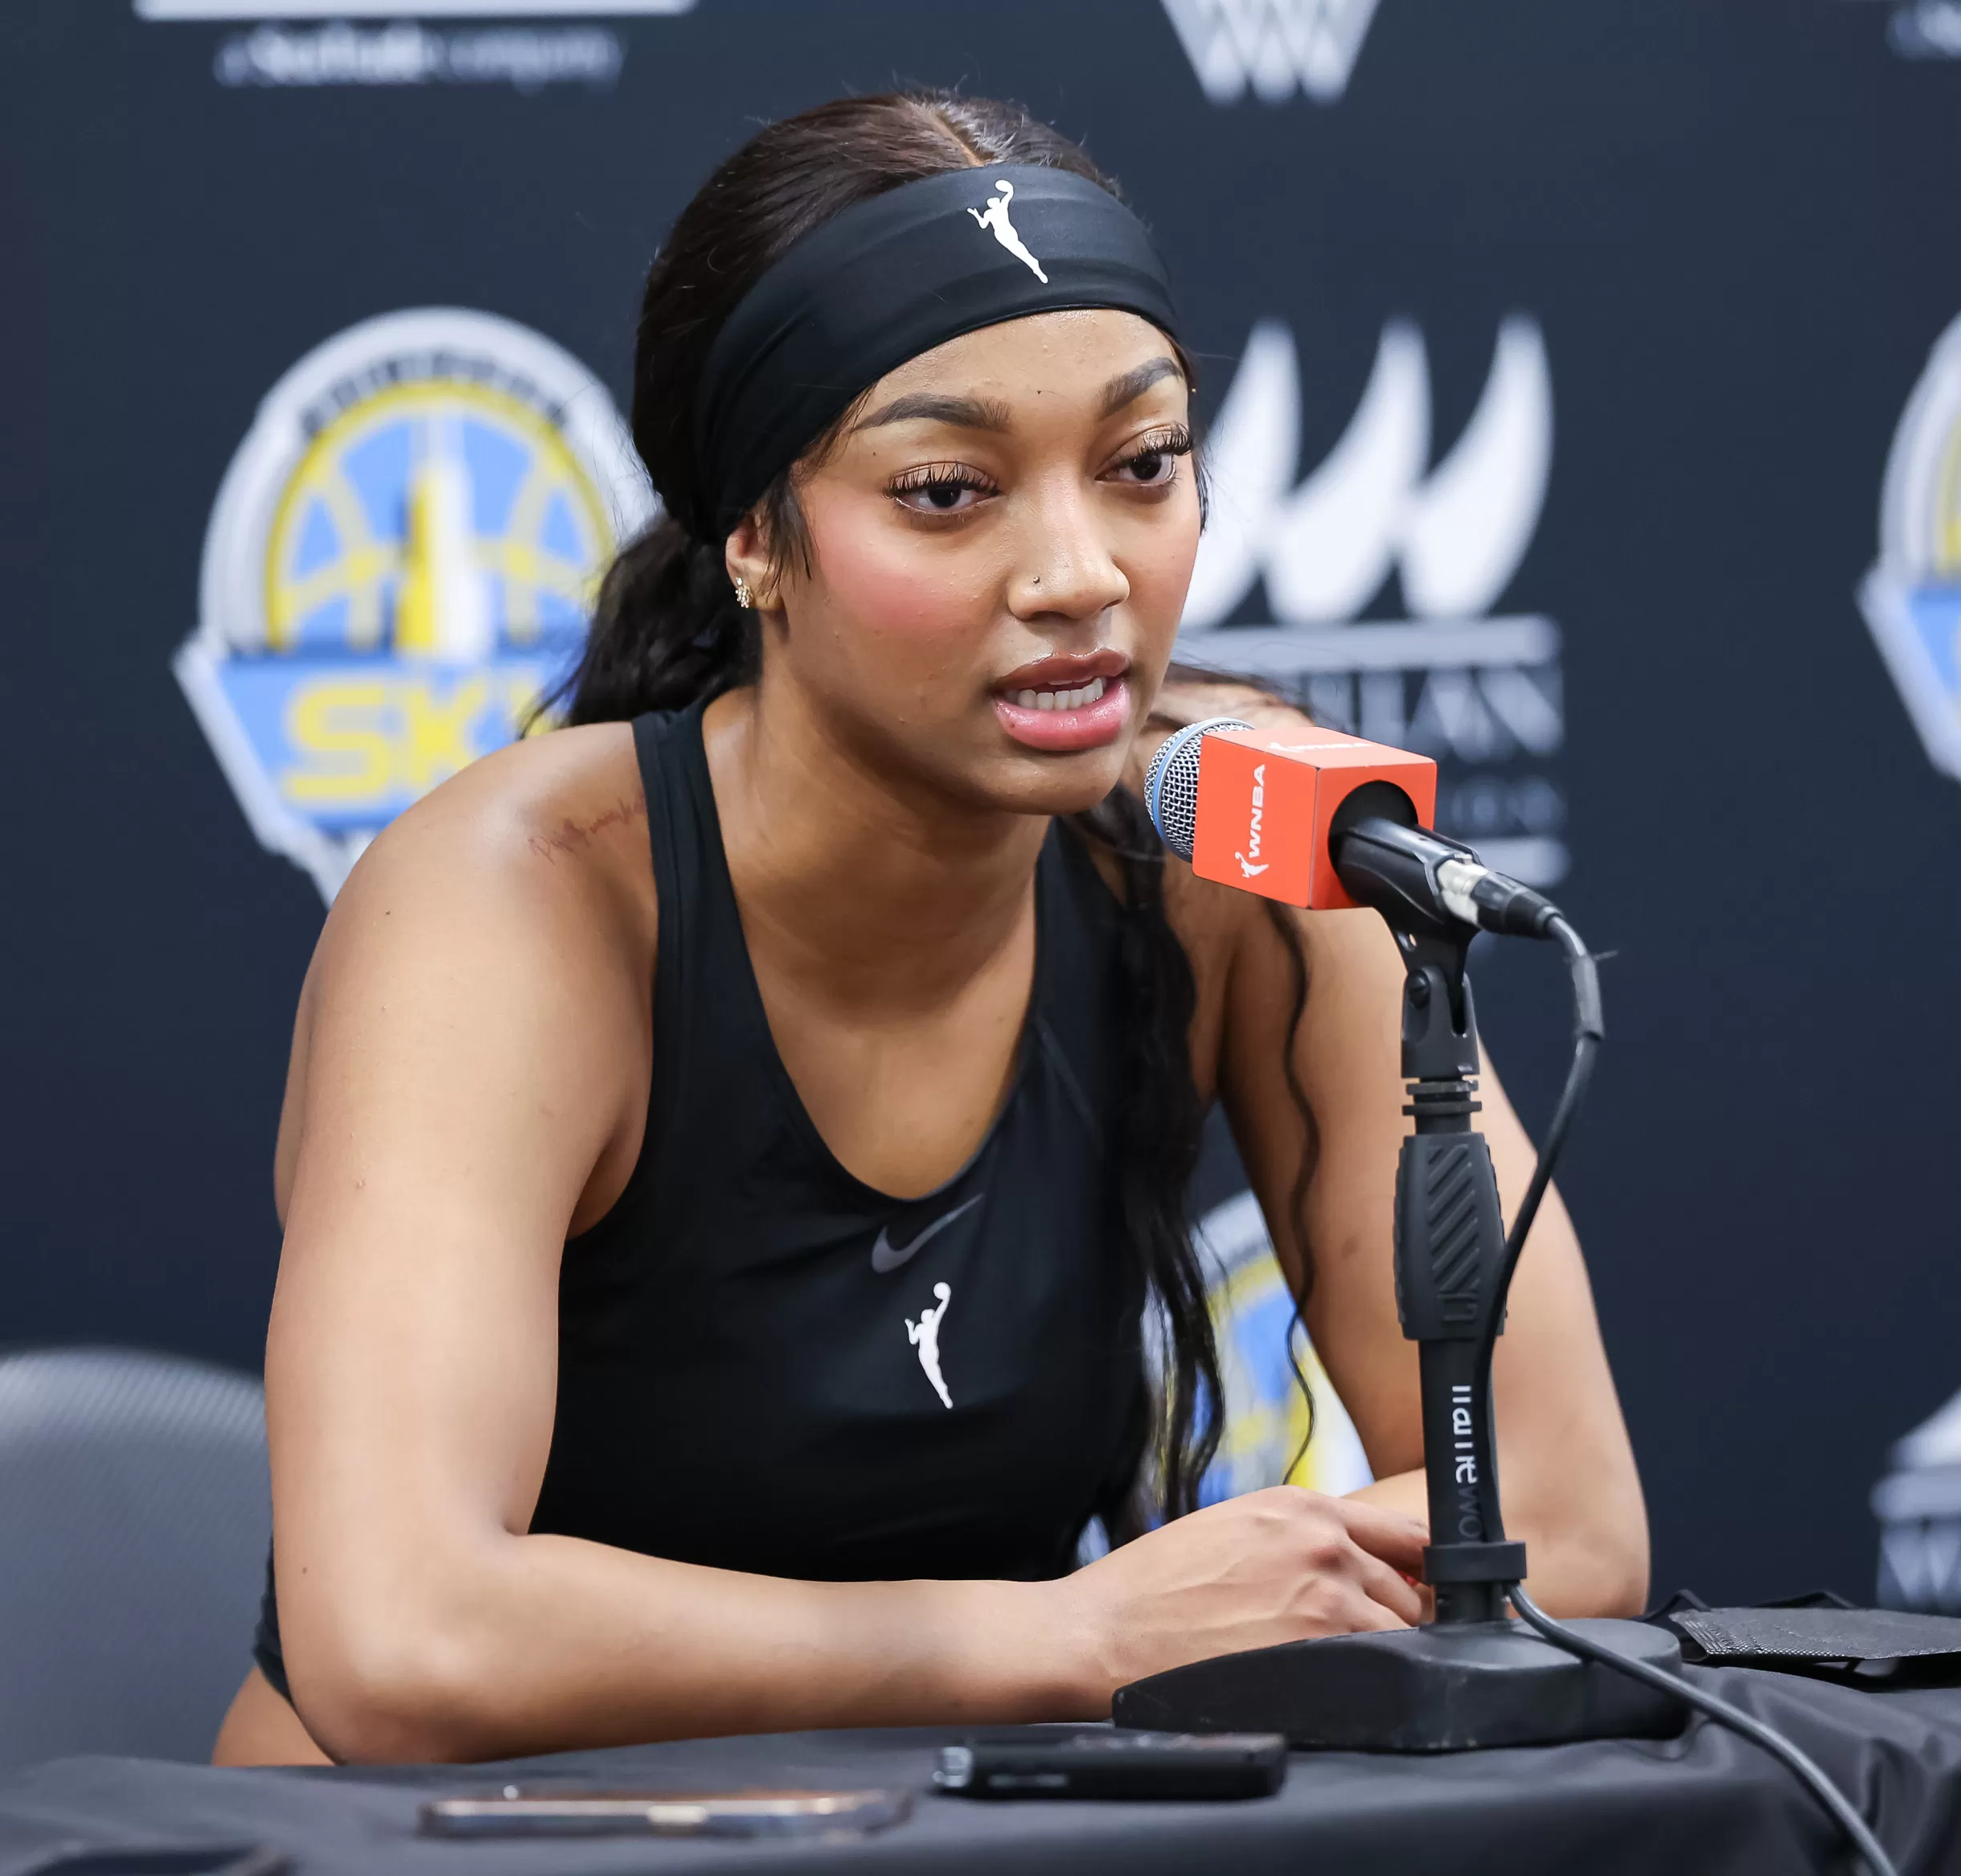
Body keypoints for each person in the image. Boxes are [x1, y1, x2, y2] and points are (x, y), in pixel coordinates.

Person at [214, 90, 1647, 1770]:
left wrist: (1219, 1611)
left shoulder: (1243, 843)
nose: (1078, 571)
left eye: (1140, 465)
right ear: (757, 535)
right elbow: (401, 1637)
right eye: (951, 490)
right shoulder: (520, 900)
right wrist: (1071, 1636)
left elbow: (1564, 1520)